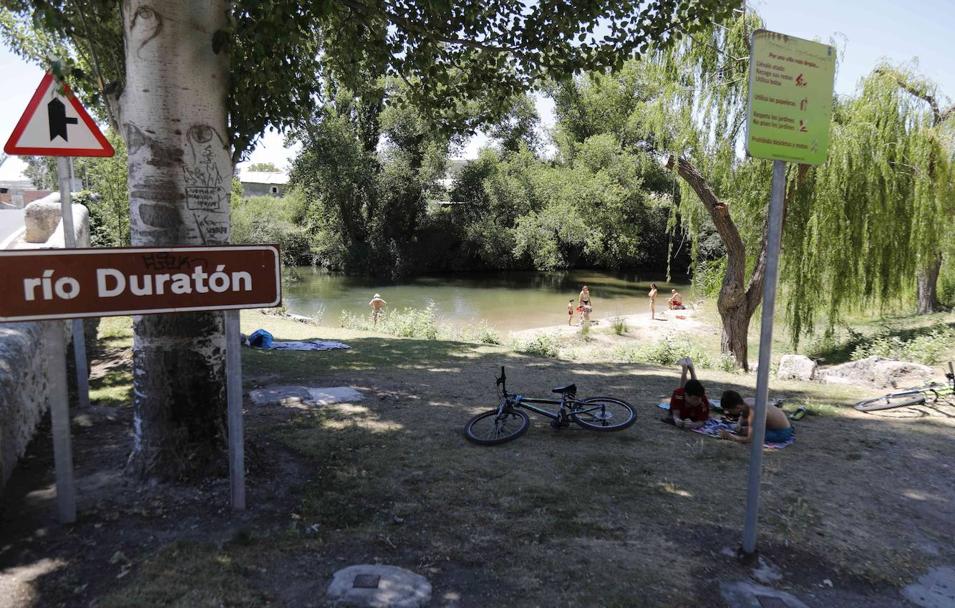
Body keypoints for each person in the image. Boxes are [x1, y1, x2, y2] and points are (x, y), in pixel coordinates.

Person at [718, 390, 793, 444]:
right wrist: (739, 424)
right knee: (740, 429)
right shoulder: (745, 401)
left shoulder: (753, 411)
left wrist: (730, 437)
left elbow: (750, 439)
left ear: (737, 407)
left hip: (781, 433)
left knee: (744, 432)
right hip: (775, 425)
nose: (727, 412)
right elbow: (742, 416)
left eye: (729, 410)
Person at [663, 357, 710, 429]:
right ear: (686, 395)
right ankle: (686, 369)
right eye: (695, 399)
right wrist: (677, 420)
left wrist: (693, 425)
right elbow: (675, 414)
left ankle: (690, 369)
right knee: (682, 389)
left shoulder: (702, 400)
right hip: (683, 394)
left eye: (699, 398)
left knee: (694, 385)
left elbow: (702, 421)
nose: (699, 401)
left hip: (687, 394)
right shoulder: (678, 394)